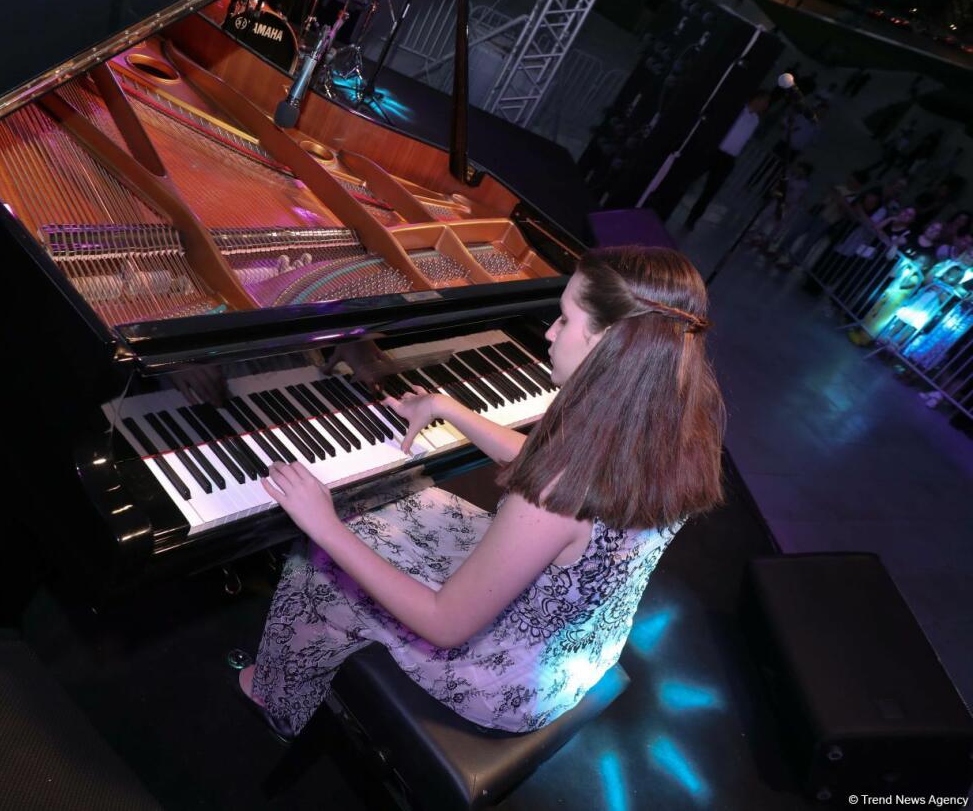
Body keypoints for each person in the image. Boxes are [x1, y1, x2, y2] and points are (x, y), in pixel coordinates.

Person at [237, 247, 726, 738]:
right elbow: (547, 467)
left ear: (606, 340)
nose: (550, 333)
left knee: (320, 565)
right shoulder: (673, 422)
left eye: (564, 319)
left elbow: (444, 624)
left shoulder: (557, 488)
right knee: (385, 500)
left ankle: (276, 700)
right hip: (581, 638)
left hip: (508, 675)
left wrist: (324, 526)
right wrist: (448, 408)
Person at [654, 90, 770, 231]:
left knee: (710, 192)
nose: (765, 105)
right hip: (715, 151)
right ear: (757, 99)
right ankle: (663, 207)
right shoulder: (739, 111)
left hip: (728, 158)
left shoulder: (755, 120)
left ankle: (692, 220)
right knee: (688, 179)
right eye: (764, 101)